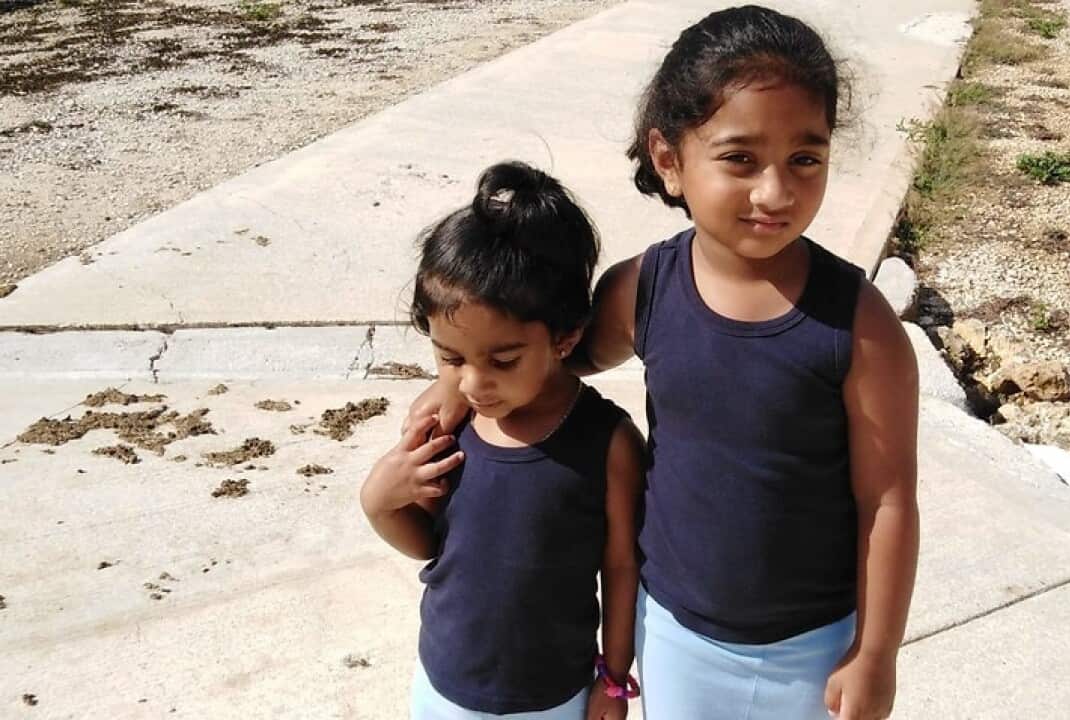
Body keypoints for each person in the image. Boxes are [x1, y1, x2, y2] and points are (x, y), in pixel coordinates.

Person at [407, 5, 920, 718]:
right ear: (669, 160)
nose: (775, 192)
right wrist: (455, 379)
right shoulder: (642, 291)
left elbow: (887, 501)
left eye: (805, 158)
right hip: (675, 632)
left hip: (817, 643)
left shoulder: (859, 327)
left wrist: (876, 655)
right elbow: (546, 357)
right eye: (740, 158)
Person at [362, 161, 645, 719]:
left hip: (552, 697)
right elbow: (431, 545)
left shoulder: (608, 444)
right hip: (444, 685)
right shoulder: (448, 423)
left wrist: (613, 681)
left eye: (503, 360)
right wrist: (379, 498)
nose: (472, 381)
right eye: (450, 357)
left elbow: (620, 570)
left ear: (566, 336)